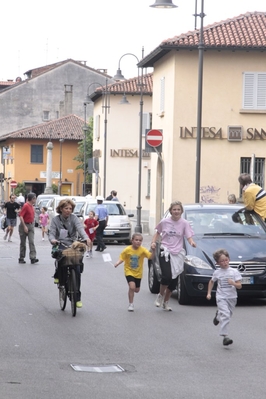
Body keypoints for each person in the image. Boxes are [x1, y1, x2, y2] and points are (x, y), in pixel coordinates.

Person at [151, 200, 196, 311]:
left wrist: (191, 242)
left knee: (174, 280)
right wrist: (153, 242)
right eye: (174, 209)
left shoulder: (185, 223)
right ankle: (160, 296)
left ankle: (166, 302)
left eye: (178, 209)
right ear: (171, 211)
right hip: (165, 251)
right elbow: (157, 232)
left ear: (181, 211)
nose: (176, 211)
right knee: (166, 276)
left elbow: (189, 236)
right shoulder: (165, 222)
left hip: (178, 253)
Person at [48, 198, 91, 308]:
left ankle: (77, 297)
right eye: (66, 208)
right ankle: (58, 275)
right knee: (60, 260)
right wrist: (53, 240)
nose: (68, 210)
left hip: (73, 244)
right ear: (61, 209)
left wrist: (86, 238)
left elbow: (80, 229)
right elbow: (52, 233)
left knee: (77, 269)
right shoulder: (55, 220)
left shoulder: (74, 218)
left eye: (70, 208)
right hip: (60, 243)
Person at [206, 248, 242, 346]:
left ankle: (218, 316)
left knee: (227, 315)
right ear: (217, 263)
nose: (224, 262)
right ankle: (225, 336)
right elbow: (212, 281)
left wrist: (233, 283)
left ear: (229, 259)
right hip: (221, 297)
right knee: (226, 315)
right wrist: (209, 293)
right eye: (222, 261)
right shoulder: (217, 272)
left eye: (226, 260)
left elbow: (239, 286)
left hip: (232, 297)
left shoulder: (234, 272)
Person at [114, 233, 155, 311]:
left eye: (140, 240)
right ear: (132, 240)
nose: (138, 242)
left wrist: (154, 251)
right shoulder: (127, 250)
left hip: (138, 273)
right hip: (129, 271)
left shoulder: (142, 250)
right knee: (132, 287)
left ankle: (132, 293)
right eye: (136, 240)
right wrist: (117, 263)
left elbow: (150, 257)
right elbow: (122, 258)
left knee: (136, 290)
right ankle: (131, 304)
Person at [18, 192, 38, 264]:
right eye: (35, 198)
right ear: (32, 199)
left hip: (31, 225)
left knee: (31, 242)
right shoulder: (26, 206)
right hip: (24, 225)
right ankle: (21, 257)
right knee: (23, 243)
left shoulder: (32, 206)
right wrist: (24, 226)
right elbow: (21, 216)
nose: (35, 199)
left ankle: (33, 257)